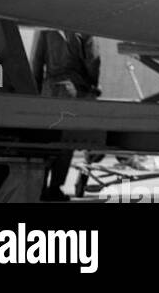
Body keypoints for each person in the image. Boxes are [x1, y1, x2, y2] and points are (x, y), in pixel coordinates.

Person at [31, 30, 100, 200]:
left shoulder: (45, 28)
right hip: (72, 90)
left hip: (49, 90)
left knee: (45, 140)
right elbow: (93, 60)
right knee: (65, 143)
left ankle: (40, 187)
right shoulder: (84, 28)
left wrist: (36, 90)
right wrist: (93, 85)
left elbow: (37, 61)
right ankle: (55, 188)